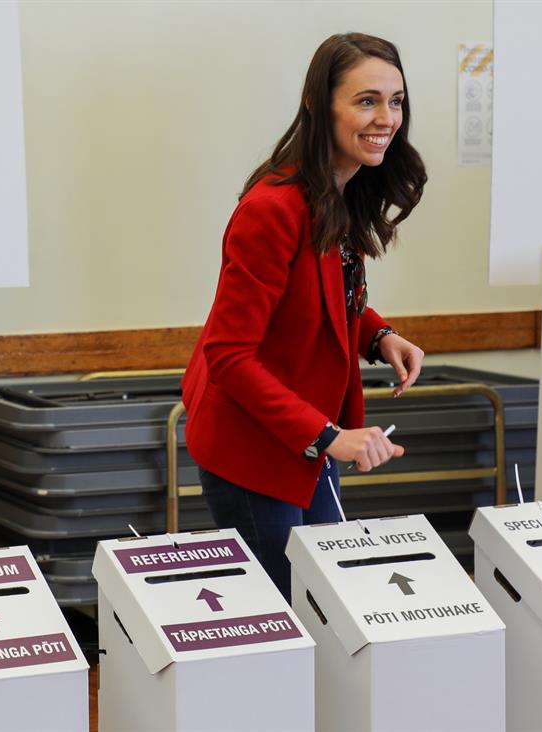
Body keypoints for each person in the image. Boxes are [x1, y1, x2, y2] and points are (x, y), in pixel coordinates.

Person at [182, 32, 427, 600]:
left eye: (395, 101)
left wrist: (378, 335)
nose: (386, 117)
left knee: (327, 609)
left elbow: (319, 296)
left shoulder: (339, 190)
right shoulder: (272, 209)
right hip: (255, 448)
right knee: (294, 617)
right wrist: (328, 435)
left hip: (310, 442)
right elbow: (228, 355)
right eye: (366, 101)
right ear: (319, 104)